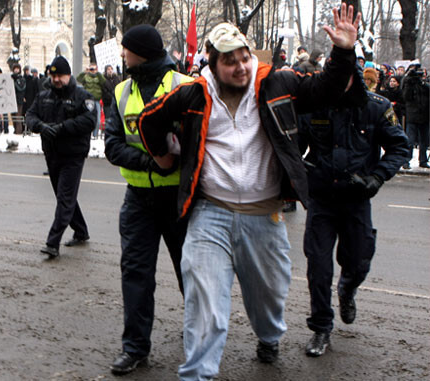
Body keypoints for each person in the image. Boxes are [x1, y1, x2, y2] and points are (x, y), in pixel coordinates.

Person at [137, 5, 361, 379]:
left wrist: (343, 51)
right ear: (213, 64)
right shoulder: (194, 94)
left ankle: (269, 336)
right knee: (205, 298)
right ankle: (197, 374)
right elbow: (149, 119)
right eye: (230, 61)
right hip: (211, 212)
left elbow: (327, 90)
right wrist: (163, 156)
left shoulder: (276, 83)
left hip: (265, 214)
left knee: (269, 295)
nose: (240, 66)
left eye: (244, 57)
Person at [298, 65, 409, 357]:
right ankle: (321, 327)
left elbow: (400, 147)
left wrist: (377, 177)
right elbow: (293, 147)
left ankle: (347, 289)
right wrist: (298, 173)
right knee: (318, 267)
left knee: (359, 260)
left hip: (357, 198)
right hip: (322, 198)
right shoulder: (314, 105)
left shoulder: (375, 107)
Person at [104, 24, 193, 375]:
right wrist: (149, 161)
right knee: (136, 273)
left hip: (179, 200)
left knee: (192, 273)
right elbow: (112, 144)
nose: (122, 54)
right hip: (138, 199)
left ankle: (199, 336)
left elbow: (203, 143)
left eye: (126, 49)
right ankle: (135, 348)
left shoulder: (184, 87)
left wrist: (175, 160)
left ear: (141, 51)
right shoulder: (122, 90)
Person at [26, 56, 97, 258]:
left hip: (73, 154)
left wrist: (62, 128)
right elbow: (30, 116)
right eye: (53, 75)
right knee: (64, 196)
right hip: (52, 154)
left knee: (65, 198)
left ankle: (52, 242)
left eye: (60, 75)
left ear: (69, 75)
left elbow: (89, 120)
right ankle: (81, 231)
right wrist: (40, 127)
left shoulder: (82, 96)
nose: (56, 79)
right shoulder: (44, 96)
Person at [401, 64, 429, 169]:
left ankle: (423, 160)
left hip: (425, 116)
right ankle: (406, 161)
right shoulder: (409, 83)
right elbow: (406, 97)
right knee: (410, 140)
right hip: (412, 116)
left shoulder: (425, 85)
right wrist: (409, 81)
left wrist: (422, 83)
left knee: (424, 140)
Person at [77, 63, 105, 138]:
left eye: (94, 69)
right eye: (91, 69)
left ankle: (95, 135)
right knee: (87, 117)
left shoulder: (99, 76)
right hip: (88, 100)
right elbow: (78, 79)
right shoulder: (86, 76)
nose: (92, 71)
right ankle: (88, 134)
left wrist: (98, 73)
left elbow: (103, 82)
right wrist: (84, 72)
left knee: (98, 119)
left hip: (97, 100)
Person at [101, 64, 120, 131]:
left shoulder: (116, 78)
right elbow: (104, 91)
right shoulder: (103, 80)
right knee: (108, 119)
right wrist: (112, 96)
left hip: (116, 101)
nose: (110, 71)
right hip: (107, 102)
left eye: (111, 69)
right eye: (108, 69)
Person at [11, 63, 26, 134]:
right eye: (15, 69)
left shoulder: (21, 78)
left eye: (17, 69)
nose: (16, 70)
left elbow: (21, 88)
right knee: (13, 116)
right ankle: (15, 129)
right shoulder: (11, 77)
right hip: (11, 99)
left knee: (18, 116)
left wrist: (15, 82)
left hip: (19, 100)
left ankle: (19, 131)